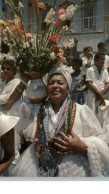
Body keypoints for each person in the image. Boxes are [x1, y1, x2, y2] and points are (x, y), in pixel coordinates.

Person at [8, 65, 109, 177]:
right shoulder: (37, 109)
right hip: (36, 166)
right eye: (51, 83)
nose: (55, 86)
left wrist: (84, 147)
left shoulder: (81, 111)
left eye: (60, 83)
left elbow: (102, 141)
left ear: (68, 88)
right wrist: (23, 82)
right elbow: (11, 111)